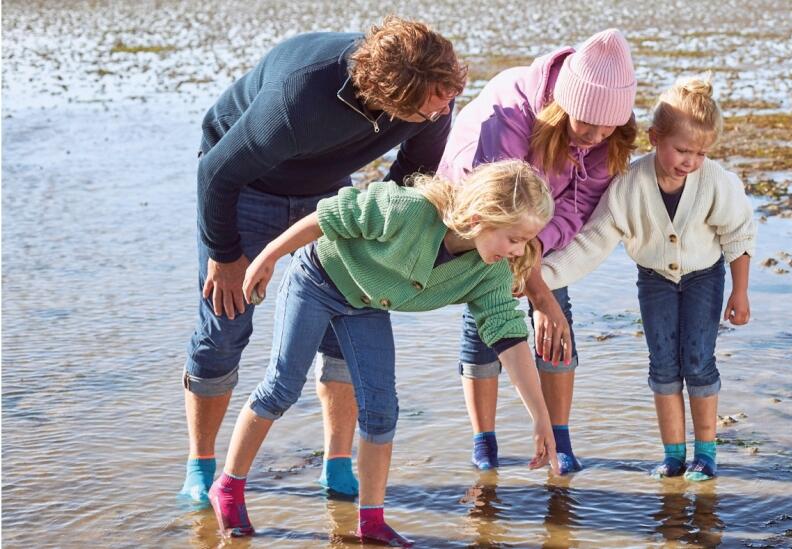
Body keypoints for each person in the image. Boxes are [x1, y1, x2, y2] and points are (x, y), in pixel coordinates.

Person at [180, 16, 465, 506]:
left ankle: (336, 465)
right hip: (246, 188)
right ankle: (200, 465)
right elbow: (216, 173)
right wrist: (224, 256)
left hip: (327, 193)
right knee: (225, 326)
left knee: (348, 308)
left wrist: (376, 236)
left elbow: (411, 176)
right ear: (393, 95)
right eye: (436, 101)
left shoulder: (436, 95)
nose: (445, 108)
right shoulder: (298, 98)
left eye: (449, 95)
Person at [209, 160, 561, 546]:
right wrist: (269, 256)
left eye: (526, 241)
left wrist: (540, 417)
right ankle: (228, 487)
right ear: (480, 218)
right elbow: (328, 216)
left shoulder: (491, 272)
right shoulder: (409, 209)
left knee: (381, 411)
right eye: (514, 239)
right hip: (316, 280)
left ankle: (371, 521)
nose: (519, 251)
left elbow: (509, 337)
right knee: (282, 387)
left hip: (366, 304)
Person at [436, 28, 638, 474]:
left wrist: (539, 258)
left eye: (608, 126)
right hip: (483, 216)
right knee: (486, 310)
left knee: (557, 311)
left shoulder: (610, 137)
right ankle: (484, 442)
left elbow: (578, 206)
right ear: (562, 107)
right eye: (585, 124)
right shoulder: (512, 112)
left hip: (537, 225)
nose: (595, 136)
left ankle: (558, 438)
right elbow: (502, 211)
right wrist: (535, 291)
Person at [541, 76, 756, 481]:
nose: (691, 161)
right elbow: (592, 241)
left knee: (698, 362)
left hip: (704, 278)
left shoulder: (714, 181)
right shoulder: (629, 183)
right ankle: (673, 455)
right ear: (655, 138)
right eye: (683, 150)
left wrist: (740, 292)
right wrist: (541, 276)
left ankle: (705, 454)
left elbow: (738, 234)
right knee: (662, 366)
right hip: (655, 280)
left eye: (701, 152)